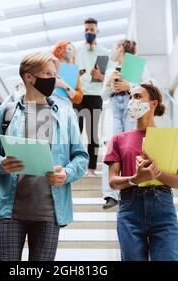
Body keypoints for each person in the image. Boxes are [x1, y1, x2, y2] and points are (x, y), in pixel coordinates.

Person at [0, 51, 89, 261]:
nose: (53, 79)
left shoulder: (66, 113)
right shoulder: (6, 112)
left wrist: (66, 174)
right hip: (9, 211)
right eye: (47, 73)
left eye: (54, 74)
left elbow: (81, 157)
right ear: (29, 77)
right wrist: (1, 164)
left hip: (50, 213)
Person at [104, 81, 178, 261]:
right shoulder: (118, 139)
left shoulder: (170, 139)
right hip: (130, 209)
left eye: (137, 96)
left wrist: (157, 174)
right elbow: (112, 181)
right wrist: (136, 178)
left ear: (154, 103)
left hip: (163, 209)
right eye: (130, 97)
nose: (131, 102)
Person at [100, 39, 153, 209]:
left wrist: (128, 85)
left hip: (132, 104)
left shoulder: (138, 66)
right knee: (112, 146)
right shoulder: (110, 70)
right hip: (115, 105)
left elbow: (149, 88)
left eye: (114, 47)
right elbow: (103, 95)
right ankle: (110, 194)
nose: (112, 50)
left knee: (132, 146)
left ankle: (133, 186)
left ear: (121, 48)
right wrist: (110, 84)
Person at [74, 17, 109, 176]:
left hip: (95, 95)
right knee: (76, 130)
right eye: (86, 30)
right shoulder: (77, 50)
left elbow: (106, 78)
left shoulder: (104, 52)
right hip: (79, 95)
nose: (89, 32)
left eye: (92, 30)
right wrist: (77, 74)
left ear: (97, 31)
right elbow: (70, 72)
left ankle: (91, 168)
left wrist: (100, 76)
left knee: (93, 132)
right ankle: (75, 165)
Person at [51, 40, 83, 107]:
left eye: (72, 50)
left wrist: (64, 85)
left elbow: (78, 98)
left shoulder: (75, 72)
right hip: (51, 102)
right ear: (60, 50)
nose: (70, 52)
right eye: (67, 49)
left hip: (66, 105)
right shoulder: (50, 67)